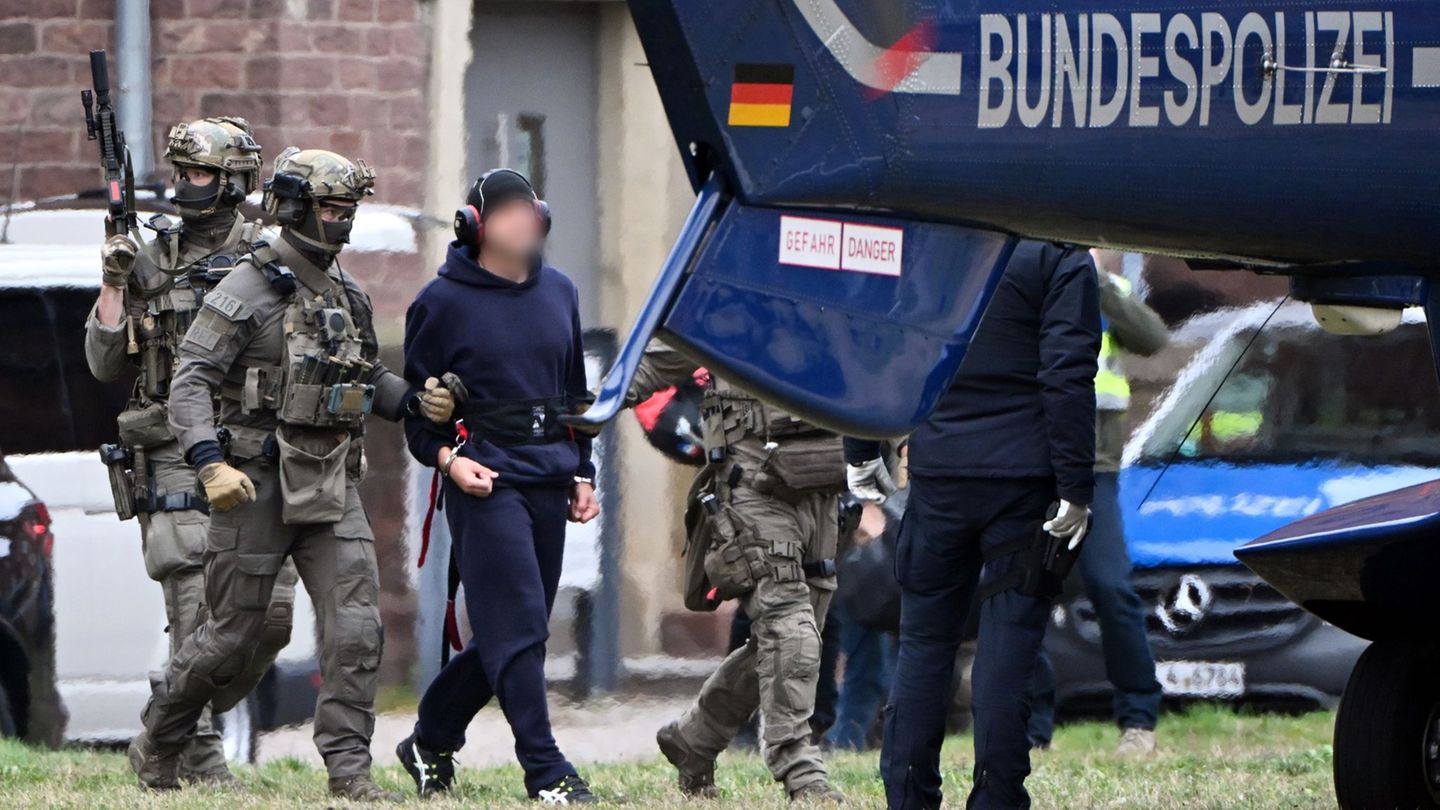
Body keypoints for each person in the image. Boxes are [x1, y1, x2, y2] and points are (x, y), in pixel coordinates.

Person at [129, 147, 456, 801]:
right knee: (231, 634)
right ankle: (159, 740)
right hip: (253, 482)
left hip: (330, 482)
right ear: (298, 208)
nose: (343, 223)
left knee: (358, 627)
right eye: (333, 209)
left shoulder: (346, 292)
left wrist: (417, 401)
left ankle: (349, 773)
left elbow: (362, 375)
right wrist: (207, 462)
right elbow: (190, 382)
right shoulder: (247, 288)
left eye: (349, 211)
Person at [848, 240, 1100, 809]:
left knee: (922, 646)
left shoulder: (925, 241)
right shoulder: (1058, 253)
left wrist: (861, 449)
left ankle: (908, 797)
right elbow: (1067, 372)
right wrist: (1075, 485)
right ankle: (997, 797)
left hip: (937, 475)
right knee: (1008, 650)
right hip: (1023, 480)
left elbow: (871, 341)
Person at [85, 117, 296, 785]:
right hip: (173, 451)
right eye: (179, 173)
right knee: (195, 609)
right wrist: (115, 283)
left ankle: (169, 712)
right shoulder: (153, 257)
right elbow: (100, 363)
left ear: (235, 180)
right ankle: (201, 763)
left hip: (252, 448)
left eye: (199, 173)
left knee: (271, 617)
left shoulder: (270, 258)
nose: (184, 186)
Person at [395, 169, 601, 804]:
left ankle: (430, 737)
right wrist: (449, 462)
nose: (523, 222)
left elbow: (574, 396)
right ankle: (546, 771)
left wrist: (583, 469)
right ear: (475, 225)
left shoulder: (560, 292)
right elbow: (414, 409)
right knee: (519, 629)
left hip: (550, 473)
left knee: (517, 631)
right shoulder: (441, 302)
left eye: (528, 211)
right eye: (507, 213)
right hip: (484, 480)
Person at [628, 347, 848, 802]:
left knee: (794, 637)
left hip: (824, 488)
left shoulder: (841, 296)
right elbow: (648, 366)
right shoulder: (731, 301)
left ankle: (694, 739)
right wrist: (577, 400)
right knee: (790, 625)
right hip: (751, 488)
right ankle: (798, 765)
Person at [1027, 252, 1169, 756]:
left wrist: (1099, 283)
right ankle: (1031, 730)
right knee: (1027, 592)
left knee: (1111, 588)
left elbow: (1153, 340)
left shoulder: (1105, 285)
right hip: (1033, 459)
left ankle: (1138, 720)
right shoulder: (1028, 280)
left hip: (1096, 464)